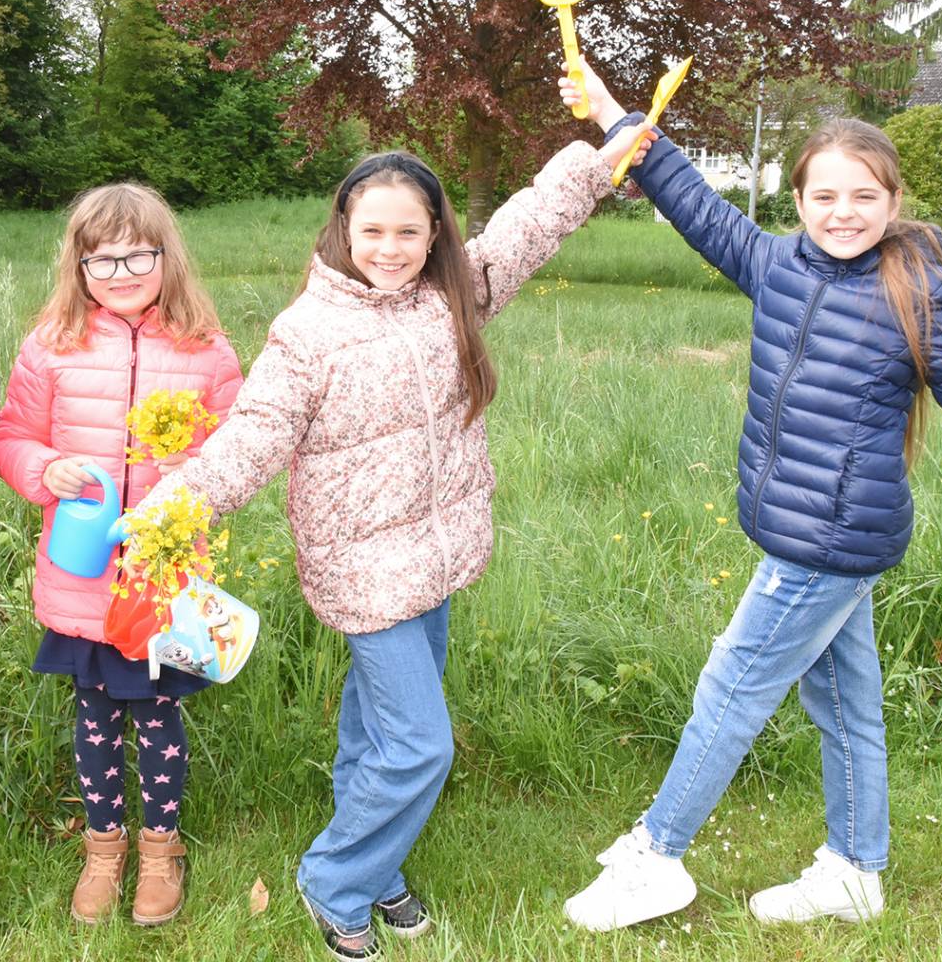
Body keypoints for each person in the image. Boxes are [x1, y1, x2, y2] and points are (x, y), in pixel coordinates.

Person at [557, 64, 942, 931]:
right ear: (798, 200)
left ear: (893, 202)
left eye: (863, 196)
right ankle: (856, 873)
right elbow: (694, 203)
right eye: (824, 196)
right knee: (845, 704)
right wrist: (613, 115)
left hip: (826, 542)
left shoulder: (919, 296)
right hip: (816, 533)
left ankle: (656, 857)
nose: (843, 213)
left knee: (731, 685)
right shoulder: (780, 265)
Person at [128, 122, 650, 960]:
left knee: (376, 734)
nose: (391, 247)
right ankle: (335, 880)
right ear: (343, 230)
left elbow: (528, 222)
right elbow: (253, 434)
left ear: (435, 232)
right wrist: (175, 507)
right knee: (419, 745)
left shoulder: (457, 294)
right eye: (372, 230)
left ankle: (376, 866)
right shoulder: (309, 332)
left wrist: (601, 159)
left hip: (437, 557)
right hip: (362, 570)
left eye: (409, 230)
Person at [0, 182, 243, 927]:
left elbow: (238, 451)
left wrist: (187, 481)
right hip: (82, 577)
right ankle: (104, 849)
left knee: (160, 714)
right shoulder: (52, 345)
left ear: (169, 258)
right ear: (77, 266)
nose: (122, 272)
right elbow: (11, 437)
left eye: (139, 255)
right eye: (102, 260)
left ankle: (160, 849)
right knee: (95, 716)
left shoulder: (206, 349)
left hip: (163, 580)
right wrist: (44, 470)